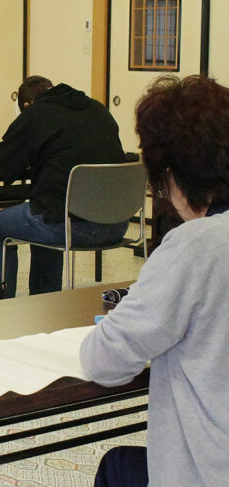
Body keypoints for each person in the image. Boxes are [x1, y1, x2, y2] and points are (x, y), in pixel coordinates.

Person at [81, 74, 229, 487]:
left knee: (116, 469)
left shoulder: (197, 246)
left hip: (208, 473)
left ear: (171, 175)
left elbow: (104, 361)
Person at [0, 76, 128, 298]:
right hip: (117, 223)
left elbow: (5, 165)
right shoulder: (97, 108)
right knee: (47, 207)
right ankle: (46, 302)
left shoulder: (36, 113)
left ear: (26, 105)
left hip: (70, 226)